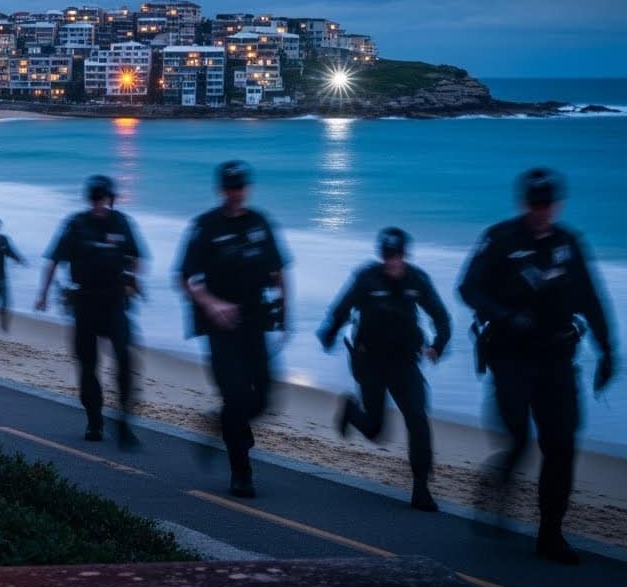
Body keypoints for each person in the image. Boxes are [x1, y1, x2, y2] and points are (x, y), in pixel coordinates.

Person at [459, 168, 615, 565]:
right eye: (535, 203)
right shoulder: (500, 239)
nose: (542, 211)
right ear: (524, 203)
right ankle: (500, 477)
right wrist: (505, 316)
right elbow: (468, 288)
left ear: (557, 204)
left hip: (557, 360)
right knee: (517, 438)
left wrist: (607, 351)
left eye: (548, 204)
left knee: (561, 447)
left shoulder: (569, 243)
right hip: (510, 357)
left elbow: (591, 299)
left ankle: (550, 534)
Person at [316, 227, 450, 512]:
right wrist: (328, 334)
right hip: (371, 362)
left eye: (398, 255)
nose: (393, 262)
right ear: (382, 255)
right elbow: (341, 309)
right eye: (389, 256)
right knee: (376, 431)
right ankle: (352, 411)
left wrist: (438, 344)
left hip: (405, 363)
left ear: (405, 254)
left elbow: (440, 315)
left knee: (417, 418)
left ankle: (421, 489)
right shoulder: (366, 279)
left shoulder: (417, 279)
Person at [177, 161, 289, 497]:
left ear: (246, 188)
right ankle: (241, 474)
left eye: (240, 187)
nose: (235, 193)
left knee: (265, 398)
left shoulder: (260, 223)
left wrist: (286, 313)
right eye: (230, 187)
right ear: (221, 189)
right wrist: (211, 304)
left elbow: (278, 270)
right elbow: (185, 278)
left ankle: (223, 421)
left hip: (255, 321)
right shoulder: (205, 227)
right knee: (236, 395)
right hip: (220, 326)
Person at [37, 175, 146, 446]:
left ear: (111, 199)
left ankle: (123, 419)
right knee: (87, 367)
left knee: (126, 358)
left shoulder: (122, 222)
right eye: (96, 199)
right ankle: (94, 420)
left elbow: (137, 256)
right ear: (89, 200)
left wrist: (134, 279)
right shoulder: (75, 225)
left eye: (105, 200)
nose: (100, 205)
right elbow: (53, 260)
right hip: (84, 303)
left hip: (114, 302)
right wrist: (43, 294)